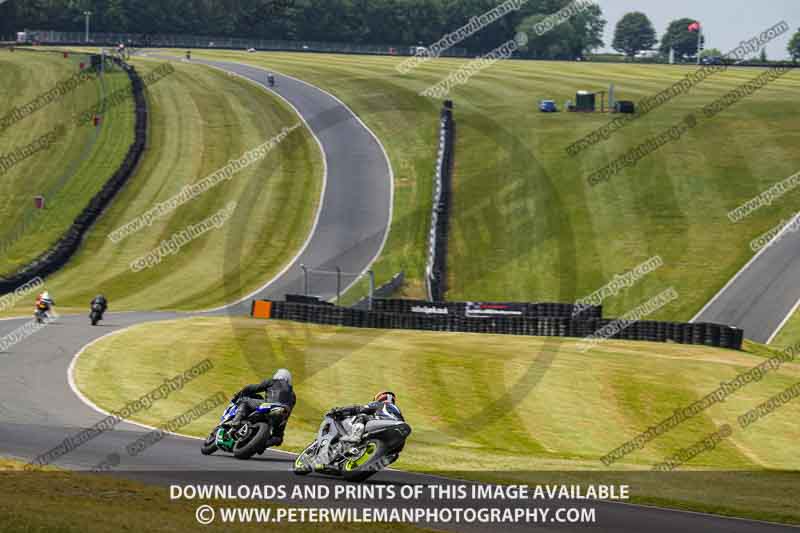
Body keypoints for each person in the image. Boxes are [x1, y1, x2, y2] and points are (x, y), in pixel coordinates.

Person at [230, 369, 296, 447]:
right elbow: (289, 412)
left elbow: (253, 388)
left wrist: (239, 394)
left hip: (269, 405)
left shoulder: (273, 382)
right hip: (282, 414)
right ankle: (263, 445)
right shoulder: (293, 395)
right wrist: (279, 432)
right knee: (277, 438)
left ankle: (235, 422)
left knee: (245, 401)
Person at [329, 391, 403, 445]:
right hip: (399, 429)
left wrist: (340, 410)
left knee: (362, 416)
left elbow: (359, 409)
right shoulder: (397, 409)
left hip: (385, 421)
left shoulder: (380, 404)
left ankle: (355, 436)